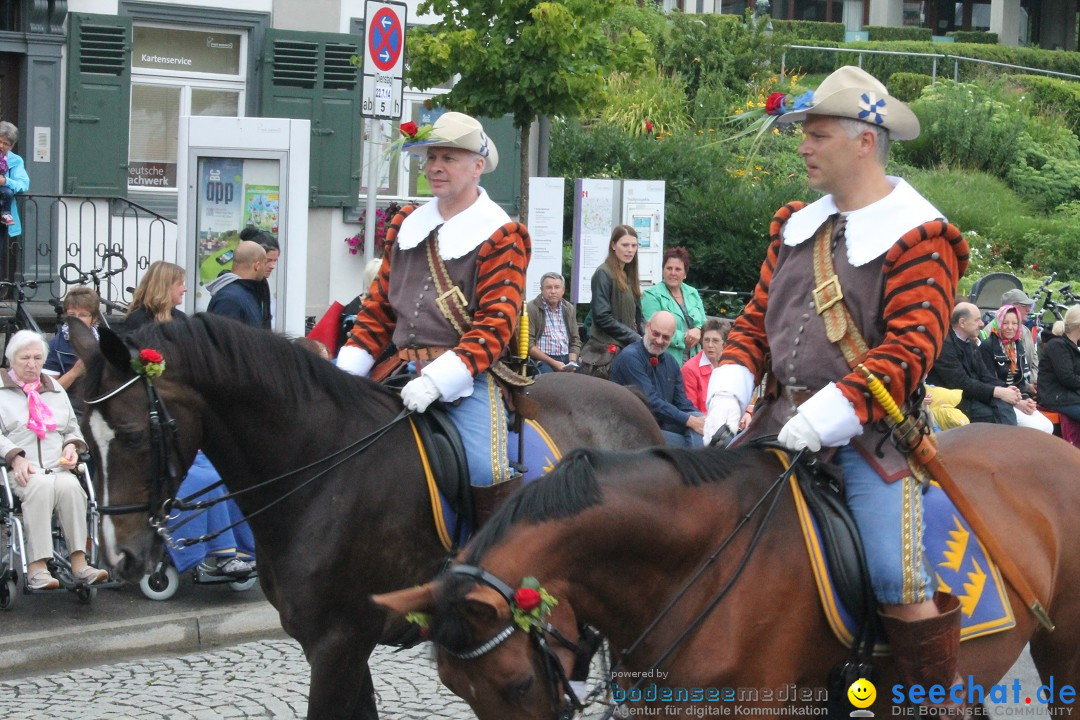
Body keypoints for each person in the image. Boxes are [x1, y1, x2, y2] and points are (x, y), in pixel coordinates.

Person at [703, 67, 970, 708]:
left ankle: (930, 704)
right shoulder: (796, 224)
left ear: (864, 142)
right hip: (771, 429)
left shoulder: (924, 237)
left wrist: (824, 417)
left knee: (893, 574)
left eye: (816, 134)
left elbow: (908, 352)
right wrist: (726, 395)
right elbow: (751, 325)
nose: (803, 146)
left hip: (868, 444)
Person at [336, 112, 530, 526]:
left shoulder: (502, 234)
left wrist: (438, 381)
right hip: (398, 367)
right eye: (430, 158)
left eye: (449, 158)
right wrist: (346, 372)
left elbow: (496, 326)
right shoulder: (407, 224)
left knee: (485, 469)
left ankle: (487, 569)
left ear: (477, 166)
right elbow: (377, 311)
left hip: (468, 379)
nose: (435, 168)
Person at [1, 331, 108, 589]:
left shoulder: (55, 388)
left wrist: (72, 446)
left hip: (56, 467)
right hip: (18, 471)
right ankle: (37, 568)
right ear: (11, 360)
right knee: (40, 486)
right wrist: (15, 458)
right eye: (24, 358)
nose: (32, 364)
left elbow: (72, 428)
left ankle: (80, 563)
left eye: (38, 358)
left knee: (72, 488)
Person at [611, 310, 705, 447]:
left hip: (661, 425)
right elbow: (651, 402)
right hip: (632, 430)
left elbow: (683, 404)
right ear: (647, 327)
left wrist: (703, 419)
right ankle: (695, 464)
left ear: (673, 337)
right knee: (692, 441)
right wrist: (690, 420)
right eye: (656, 334)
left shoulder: (671, 362)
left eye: (666, 337)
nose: (659, 341)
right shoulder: (630, 357)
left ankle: (695, 462)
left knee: (704, 430)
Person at [927, 302, 1024, 426]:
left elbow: (985, 376)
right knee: (995, 413)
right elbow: (960, 383)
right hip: (954, 401)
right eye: (977, 320)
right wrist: (997, 392)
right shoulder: (944, 346)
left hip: (972, 396)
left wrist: (1007, 389)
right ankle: (1007, 441)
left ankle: (1009, 440)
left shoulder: (970, 343)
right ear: (962, 323)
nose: (982, 324)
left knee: (1003, 406)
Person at [580, 225, 643, 378]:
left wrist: (648, 337)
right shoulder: (603, 273)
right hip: (606, 350)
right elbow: (602, 317)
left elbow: (638, 316)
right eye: (625, 245)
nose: (630, 250)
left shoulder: (628, 273)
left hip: (626, 346)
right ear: (613, 245)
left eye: (633, 245)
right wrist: (634, 337)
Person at [979, 303, 1053, 432]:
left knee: (1048, 426)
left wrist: (1026, 397)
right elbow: (988, 380)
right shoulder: (987, 346)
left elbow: (1019, 380)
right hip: (1000, 399)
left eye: (1014, 323)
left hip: (1018, 397)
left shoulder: (1017, 345)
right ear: (998, 323)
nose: (1010, 327)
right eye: (1005, 323)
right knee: (1039, 428)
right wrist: (1018, 403)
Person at [641, 246, 706, 362]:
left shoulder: (693, 293)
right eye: (669, 268)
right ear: (663, 271)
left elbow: (704, 324)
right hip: (667, 360)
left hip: (695, 361)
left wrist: (699, 330)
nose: (673, 273)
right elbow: (653, 331)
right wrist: (687, 338)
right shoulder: (651, 296)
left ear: (685, 273)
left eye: (678, 269)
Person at [44, 287, 101, 394]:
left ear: (94, 318)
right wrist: (75, 372)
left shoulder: (104, 342)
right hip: (70, 406)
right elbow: (48, 392)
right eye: (72, 315)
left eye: (83, 315)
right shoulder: (55, 347)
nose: (76, 320)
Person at [981, 287, 1039, 387]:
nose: (1029, 309)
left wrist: (1034, 383)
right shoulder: (989, 332)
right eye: (1024, 305)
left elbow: (1034, 360)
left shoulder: (1025, 331)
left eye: (1030, 306)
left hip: (1025, 387)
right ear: (1011, 307)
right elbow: (989, 376)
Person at [206, 241, 271, 329]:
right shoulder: (229, 299)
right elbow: (223, 339)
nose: (267, 268)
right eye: (265, 263)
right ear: (257, 265)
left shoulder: (247, 292)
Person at [526, 272, 581, 374]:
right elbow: (529, 345)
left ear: (563, 290)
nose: (553, 291)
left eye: (557, 287)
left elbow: (575, 340)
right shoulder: (532, 308)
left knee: (585, 381)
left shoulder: (569, 308)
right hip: (542, 359)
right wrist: (554, 363)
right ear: (541, 290)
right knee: (550, 382)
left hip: (566, 358)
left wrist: (572, 363)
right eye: (549, 287)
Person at [1036, 305, 1080, 422]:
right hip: (1056, 396)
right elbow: (1067, 378)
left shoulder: (1072, 345)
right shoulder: (1057, 345)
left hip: (1069, 395)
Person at [682, 317, 730, 413]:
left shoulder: (731, 366)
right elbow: (691, 409)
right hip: (702, 422)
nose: (710, 345)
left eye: (715, 341)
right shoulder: (690, 369)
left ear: (724, 344)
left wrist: (746, 413)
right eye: (706, 340)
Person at [125, 261, 188, 333]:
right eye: (180, 283)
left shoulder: (181, 318)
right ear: (165, 287)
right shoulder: (138, 321)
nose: (185, 289)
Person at [241, 226, 279, 324]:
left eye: (275, 261)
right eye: (268, 260)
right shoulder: (231, 295)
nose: (273, 266)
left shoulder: (262, 286)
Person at [0, 121, 28, 234]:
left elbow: (23, 184)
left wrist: (5, 181)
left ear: (11, 146)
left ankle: (5, 215)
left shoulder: (16, 161)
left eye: (5, 143)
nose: (1, 146)